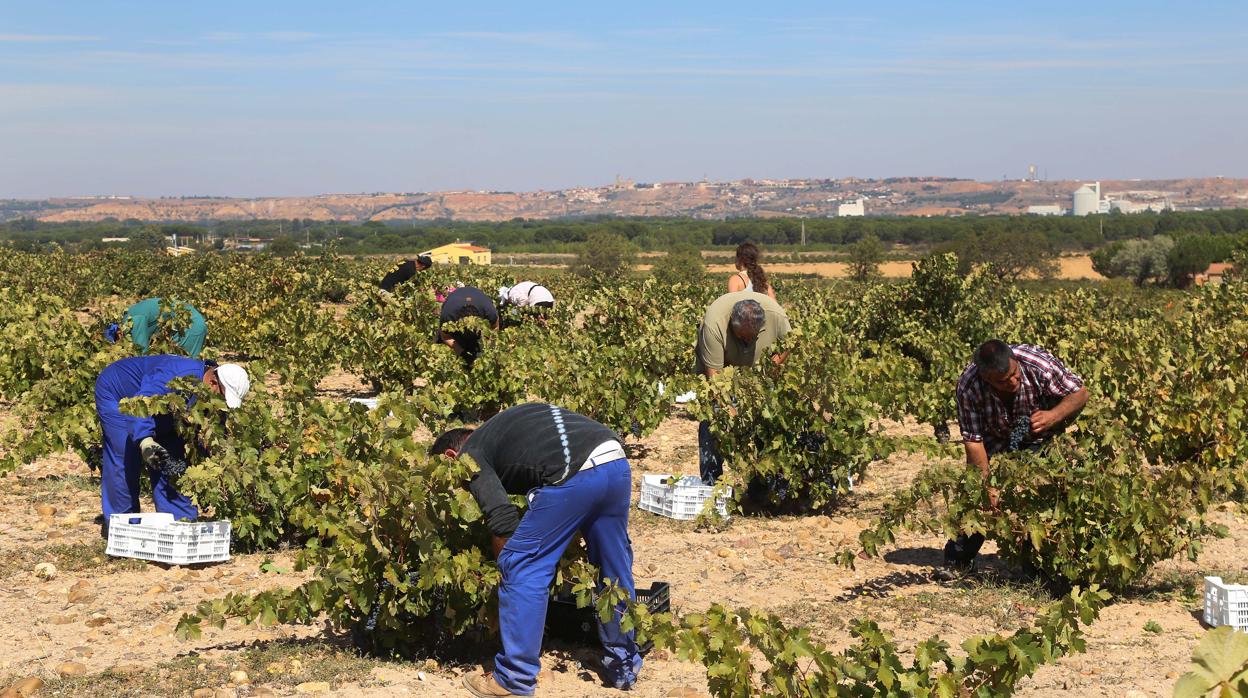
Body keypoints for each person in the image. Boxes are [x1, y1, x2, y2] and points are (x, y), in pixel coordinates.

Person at [432, 403, 643, 697]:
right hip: (613, 460)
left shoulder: (471, 455)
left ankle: (513, 679)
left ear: (451, 457)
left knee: (521, 564)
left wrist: (506, 576)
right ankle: (623, 665)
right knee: (613, 565)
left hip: (576, 472)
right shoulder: (501, 430)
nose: (461, 487)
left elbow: (503, 521)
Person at [940, 339, 1089, 576]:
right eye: (1003, 381)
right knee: (979, 497)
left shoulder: (1038, 365)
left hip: (1042, 441)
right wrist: (987, 487)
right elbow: (973, 442)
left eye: (1014, 374)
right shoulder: (969, 386)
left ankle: (1039, 564)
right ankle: (957, 560)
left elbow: (1079, 393)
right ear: (986, 378)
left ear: (1015, 361)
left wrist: (1053, 415)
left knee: (1041, 496)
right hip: (996, 444)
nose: (1013, 382)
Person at [95, 355, 250, 535]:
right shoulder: (178, 376)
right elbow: (141, 403)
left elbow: (214, 433)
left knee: (173, 461)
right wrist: (145, 440)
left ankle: (180, 523)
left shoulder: (211, 396)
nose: (223, 405)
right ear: (213, 383)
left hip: (164, 412)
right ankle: (121, 529)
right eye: (225, 398)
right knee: (125, 458)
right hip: (119, 393)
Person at [696, 290, 791, 483]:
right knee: (713, 420)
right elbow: (715, 381)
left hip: (759, 375)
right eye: (742, 337)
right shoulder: (713, 324)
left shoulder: (776, 316)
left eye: (752, 338)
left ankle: (763, 480)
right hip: (723, 371)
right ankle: (711, 482)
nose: (747, 342)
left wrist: (773, 365)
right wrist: (730, 412)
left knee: (767, 422)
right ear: (732, 325)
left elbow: (790, 342)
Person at [105, 297, 208, 358]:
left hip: (191, 325)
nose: (119, 345)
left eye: (116, 342)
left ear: (118, 333)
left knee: (185, 368)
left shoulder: (134, 321)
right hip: (182, 326)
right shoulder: (128, 318)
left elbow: (141, 355)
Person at [438, 286, 500, 362]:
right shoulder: (448, 316)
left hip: (477, 296)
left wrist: (489, 349)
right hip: (454, 299)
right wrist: (462, 354)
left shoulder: (489, 312)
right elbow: (446, 337)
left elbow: (494, 329)